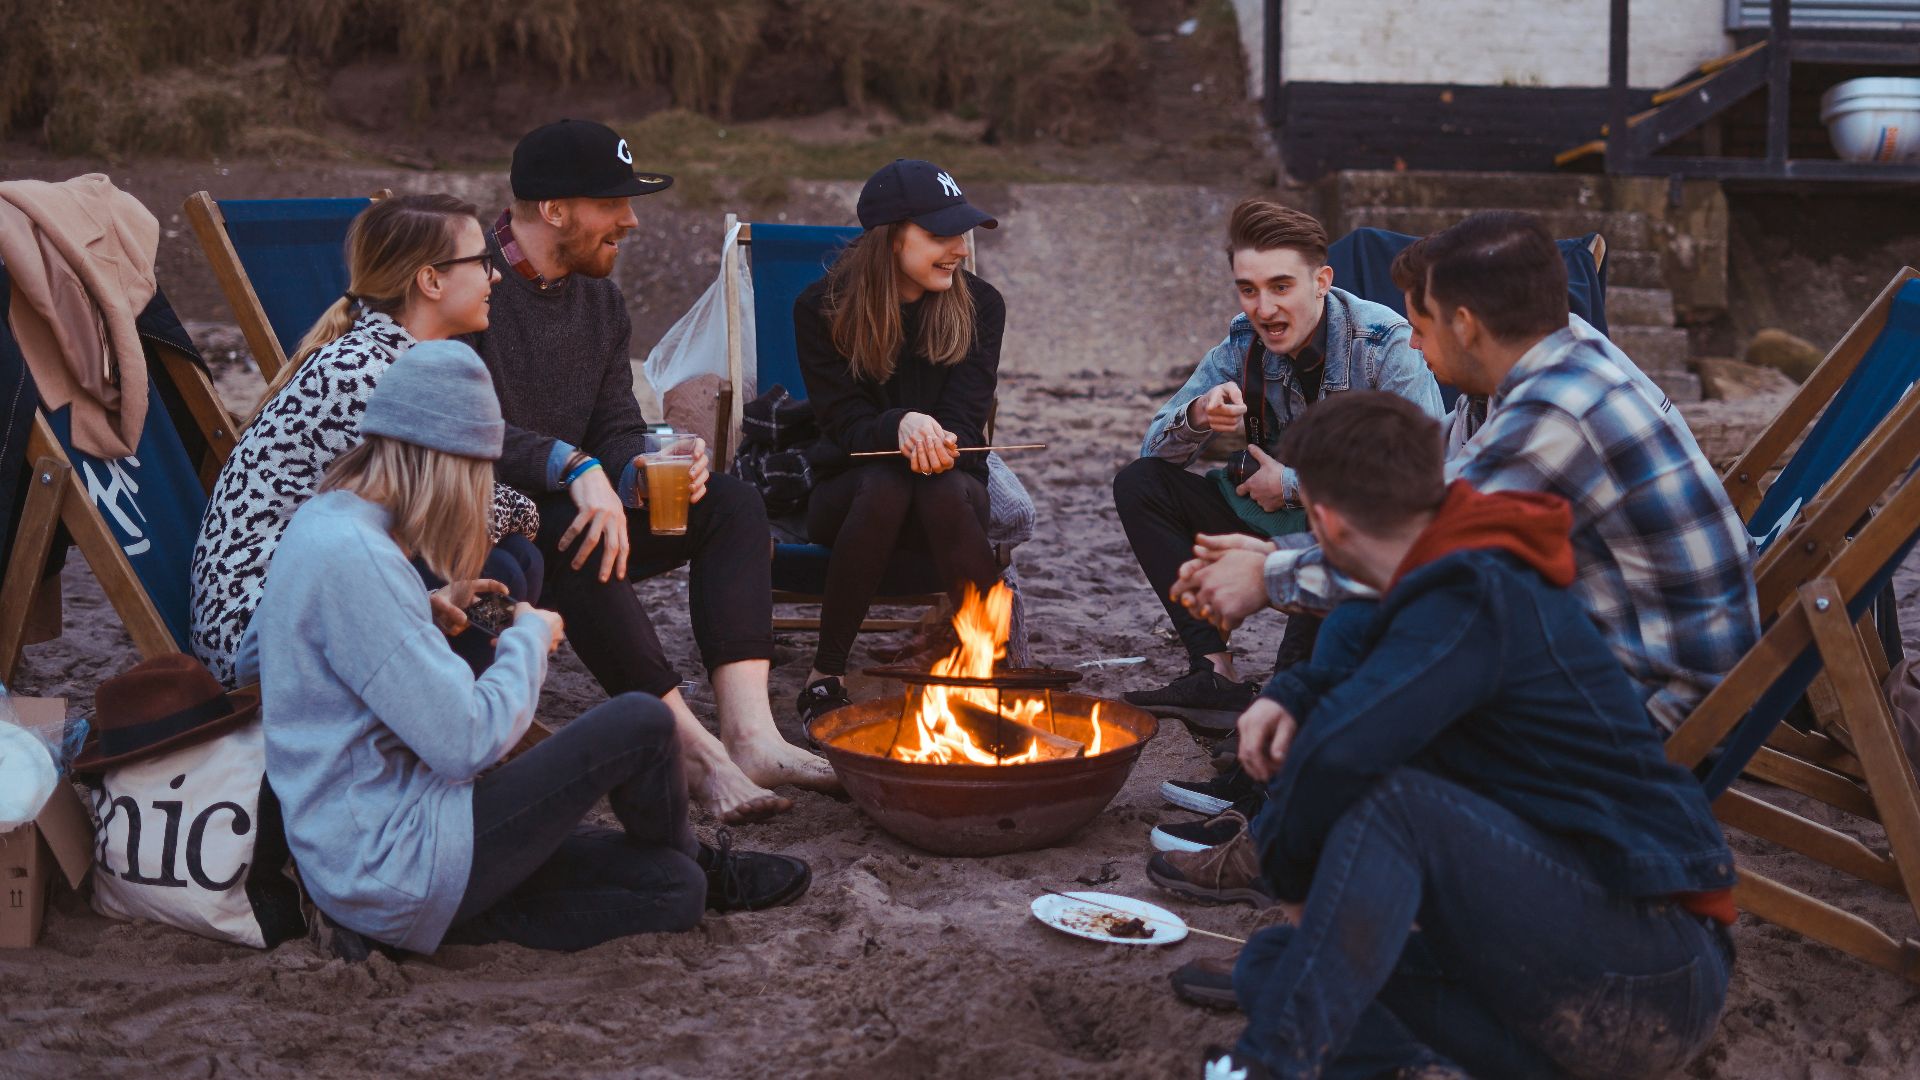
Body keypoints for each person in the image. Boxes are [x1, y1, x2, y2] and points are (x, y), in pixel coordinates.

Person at [1183, 392, 1735, 1080]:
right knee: (1274, 967)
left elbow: (1345, 753)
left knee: (1395, 808)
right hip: (1561, 968)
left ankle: (1267, 1068)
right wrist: (1292, 693)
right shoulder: (1438, 581)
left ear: (1321, 520)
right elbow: (1373, 684)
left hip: (1653, 966)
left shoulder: (1476, 590)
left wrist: (1289, 875)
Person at [240, 341, 810, 960]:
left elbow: (280, 650)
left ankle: (688, 868)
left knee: (673, 891)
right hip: (397, 860)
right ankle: (693, 855)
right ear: (444, 460)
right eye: (479, 471)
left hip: (384, 852)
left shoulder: (327, 522)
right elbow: (465, 743)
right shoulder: (360, 559)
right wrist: (528, 640)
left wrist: (424, 605)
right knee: (642, 723)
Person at [1171, 211, 1758, 736]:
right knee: (1363, 623)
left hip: (1658, 698)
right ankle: (1273, 806)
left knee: (1391, 644)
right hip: (1599, 637)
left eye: (1421, 331)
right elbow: (1431, 497)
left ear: (1466, 326)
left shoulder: (1558, 410)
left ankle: (1281, 821)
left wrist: (1268, 576)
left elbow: (1429, 548)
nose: (1416, 348)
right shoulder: (1537, 361)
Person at [465, 119, 838, 823]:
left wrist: (643, 462)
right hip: (492, 522)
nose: (632, 222)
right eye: (615, 204)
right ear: (555, 210)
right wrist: (574, 468)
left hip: (587, 501)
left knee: (732, 503)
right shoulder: (469, 283)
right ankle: (694, 753)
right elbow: (461, 424)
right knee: (579, 533)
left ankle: (751, 734)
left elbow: (613, 420)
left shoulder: (599, 300)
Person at [1113, 200, 1442, 735]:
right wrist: (1198, 415)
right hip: (1268, 520)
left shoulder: (1385, 343)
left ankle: (1272, 752)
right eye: (1248, 289)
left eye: (1281, 287)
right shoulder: (1242, 343)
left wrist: (1291, 485)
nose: (1263, 309)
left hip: (1354, 534)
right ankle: (1214, 674)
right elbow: (1155, 449)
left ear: (1321, 281)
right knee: (1141, 485)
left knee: (1298, 669)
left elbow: (1425, 476)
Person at [190, 194, 544, 687]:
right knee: (499, 559)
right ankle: (449, 711)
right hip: (261, 636)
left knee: (511, 562)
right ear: (431, 279)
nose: (496, 275)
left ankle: (457, 699)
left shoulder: (385, 358)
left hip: (316, 595)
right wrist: (531, 505)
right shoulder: (361, 375)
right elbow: (454, 514)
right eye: (482, 262)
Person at [789, 159, 1005, 722]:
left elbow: (966, 414)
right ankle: (826, 671)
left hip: (951, 493)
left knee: (937, 486)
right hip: (850, 494)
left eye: (961, 233)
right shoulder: (822, 309)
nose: (959, 248)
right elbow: (844, 424)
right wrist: (899, 424)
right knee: (886, 482)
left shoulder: (981, 306)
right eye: (940, 235)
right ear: (889, 240)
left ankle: (990, 667)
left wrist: (935, 437)